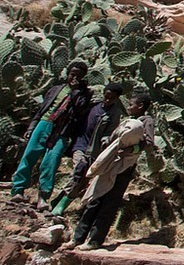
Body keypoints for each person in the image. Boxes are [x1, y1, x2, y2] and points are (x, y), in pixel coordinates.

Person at [66, 92, 155, 252]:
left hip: (124, 166)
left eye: (131, 104)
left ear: (140, 106)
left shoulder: (145, 121)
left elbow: (148, 142)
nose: (128, 107)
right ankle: (77, 238)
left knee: (109, 202)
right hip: (111, 162)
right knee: (96, 197)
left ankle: (95, 240)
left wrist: (131, 149)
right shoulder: (128, 121)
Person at [10, 61, 92, 210]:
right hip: (44, 123)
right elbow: (42, 110)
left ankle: (43, 197)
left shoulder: (85, 94)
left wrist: (75, 91)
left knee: (51, 163)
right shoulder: (55, 89)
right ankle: (18, 190)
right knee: (29, 156)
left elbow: (80, 110)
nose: (75, 78)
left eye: (79, 76)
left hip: (62, 131)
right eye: (72, 74)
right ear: (67, 73)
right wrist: (32, 127)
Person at [49, 82, 124, 216]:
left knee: (82, 179)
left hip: (95, 151)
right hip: (81, 144)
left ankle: (59, 202)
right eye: (106, 96)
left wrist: (105, 141)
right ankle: (59, 206)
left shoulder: (114, 113)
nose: (107, 100)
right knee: (78, 171)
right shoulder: (93, 105)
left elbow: (110, 132)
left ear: (116, 99)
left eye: (111, 98)